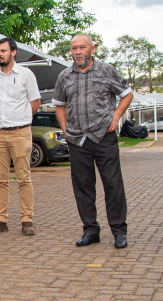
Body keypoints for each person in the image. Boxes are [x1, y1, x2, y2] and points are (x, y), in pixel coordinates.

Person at [53, 33, 133, 249]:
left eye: (82, 47)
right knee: (83, 187)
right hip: (78, 140)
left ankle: (119, 232)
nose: (77, 52)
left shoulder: (106, 70)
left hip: (103, 137)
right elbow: (59, 104)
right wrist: (65, 129)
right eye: (73, 48)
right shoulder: (64, 76)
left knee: (113, 185)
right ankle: (91, 231)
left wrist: (116, 116)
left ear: (92, 49)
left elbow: (127, 94)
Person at [0, 38, 41, 236]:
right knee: (0, 179)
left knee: (23, 177)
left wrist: (20, 118)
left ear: (13, 52)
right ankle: (1, 219)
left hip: (20, 132)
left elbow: (35, 102)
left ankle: (27, 219)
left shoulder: (26, 74)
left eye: (3, 51)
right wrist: (2, 118)